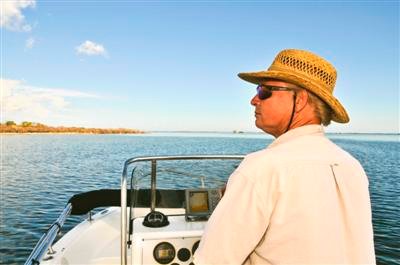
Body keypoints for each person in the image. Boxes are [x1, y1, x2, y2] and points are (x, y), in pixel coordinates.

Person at [193, 49, 375, 264]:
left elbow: (214, 260)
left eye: (264, 91)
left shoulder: (261, 168)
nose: (254, 100)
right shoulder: (351, 165)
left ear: (300, 100)